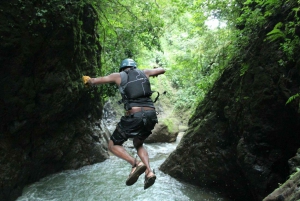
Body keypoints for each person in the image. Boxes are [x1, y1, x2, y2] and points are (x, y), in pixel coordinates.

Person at [82, 58, 165, 189]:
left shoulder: (118, 76)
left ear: (122, 68)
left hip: (135, 115)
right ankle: (149, 172)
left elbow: (93, 81)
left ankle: (135, 163)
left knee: (112, 145)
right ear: (134, 67)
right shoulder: (144, 72)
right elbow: (162, 70)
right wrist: (155, 69)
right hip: (151, 115)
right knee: (138, 143)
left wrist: (85, 79)